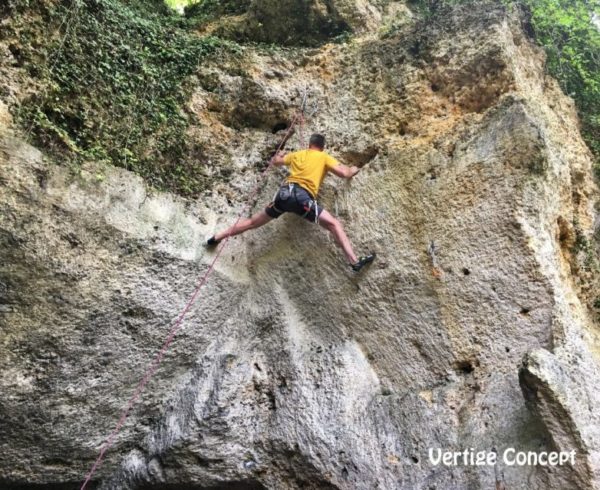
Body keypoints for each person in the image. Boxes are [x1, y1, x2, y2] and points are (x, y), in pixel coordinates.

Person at [206, 133, 375, 272]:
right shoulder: (323, 157)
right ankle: (354, 261)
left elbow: (276, 162)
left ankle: (217, 237)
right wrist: (355, 169)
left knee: (252, 222)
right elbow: (344, 173)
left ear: (310, 144)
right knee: (333, 224)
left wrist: (279, 155)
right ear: (322, 147)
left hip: (284, 195)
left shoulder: (297, 155)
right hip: (302, 198)